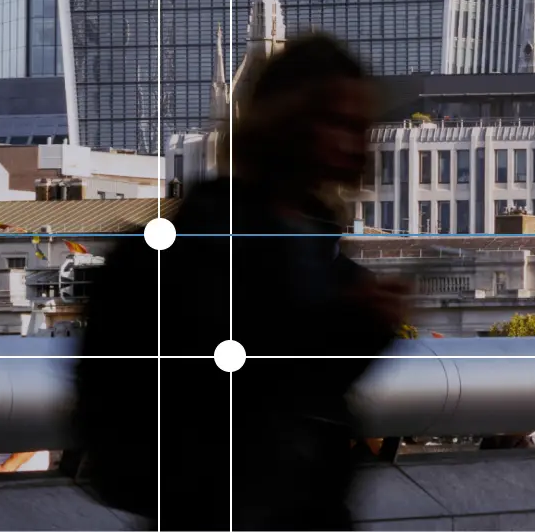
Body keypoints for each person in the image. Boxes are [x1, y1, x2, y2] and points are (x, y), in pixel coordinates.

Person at [74, 32, 406, 529]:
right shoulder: (198, 246)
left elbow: (306, 390)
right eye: (335, 122)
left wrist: (362, 329)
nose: (350, 144)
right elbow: (237, 382)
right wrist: (348, 326)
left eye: (359, 127)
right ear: (286, 123)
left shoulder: (322, 253)